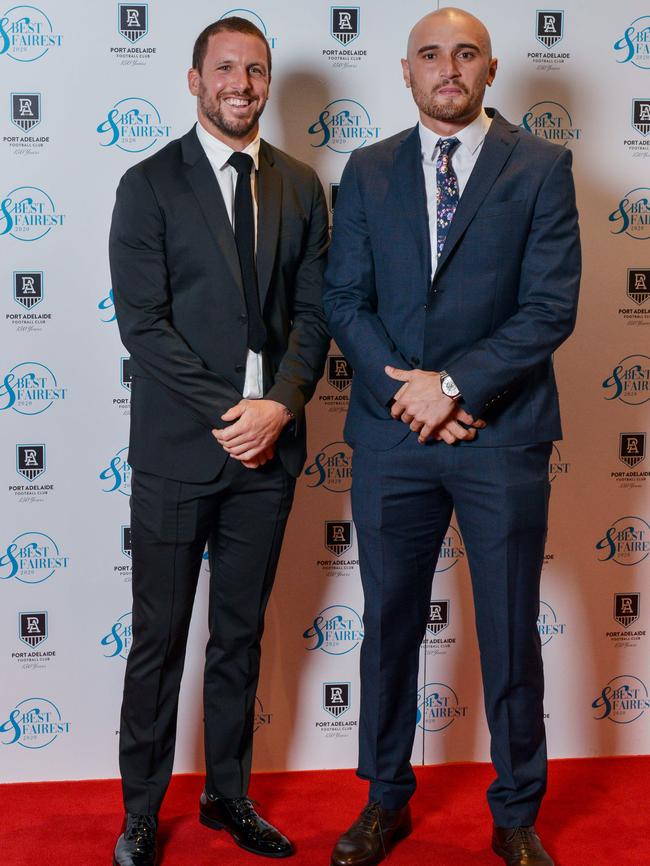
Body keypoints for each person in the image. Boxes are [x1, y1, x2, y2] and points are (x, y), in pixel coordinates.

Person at [323, 8, 580, 866]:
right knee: (389, 622)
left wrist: (458, 386)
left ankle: (515, 813)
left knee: (508, 627)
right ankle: (384, 801)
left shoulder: (541, 167)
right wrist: (413, 395)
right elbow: (345, 301)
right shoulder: (366, 169)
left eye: (464, 53)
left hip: (499, 432)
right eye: (430, 54)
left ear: (491, 68)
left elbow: (550, 307)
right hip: (395, 436)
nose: (448, 68)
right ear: (405, 71)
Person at [109, 17, 329, 865]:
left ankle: (227, 797)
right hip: (179, 452)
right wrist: (234, 411)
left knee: (239, 635)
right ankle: (139, 812)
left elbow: (312, 318)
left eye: (257, 70)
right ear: (195, 79)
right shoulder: (148, 183)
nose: (242, 83)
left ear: (268, 83)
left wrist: (278, 406)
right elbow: (144, 326)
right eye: (226, 69)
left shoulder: (303, 186)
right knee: (159, 639)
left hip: (268, 454)